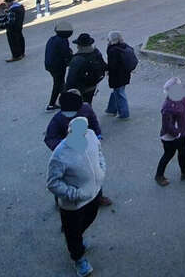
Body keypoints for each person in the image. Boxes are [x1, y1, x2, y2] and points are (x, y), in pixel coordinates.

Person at [47, 116, 106, 277]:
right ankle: (78, 258)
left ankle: (74, 237)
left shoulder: (91, 135)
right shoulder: (60, 153)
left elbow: (99, 153)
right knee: (73, 233)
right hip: (74, 204)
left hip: (93, 194)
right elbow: (52, 183)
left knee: (89, 218)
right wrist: (75, 194)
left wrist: (101, 171)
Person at [155, 77, 185, 185]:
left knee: (183, 153)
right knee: (168, 155)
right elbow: (167, 126)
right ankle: (159, 175)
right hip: (171, 137)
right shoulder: (167, 107)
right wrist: (177, 134)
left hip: (183, 132)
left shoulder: (180, 98)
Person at [66, 34, 107, 105]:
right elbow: (104, 66)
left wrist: (67, 91)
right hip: (93, 85)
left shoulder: (77, 59)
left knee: (79, 107)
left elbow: (71, 78)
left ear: (80, 46)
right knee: (88, 104)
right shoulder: (96, 52)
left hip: (81, 88)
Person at [104, 31, 136, 119]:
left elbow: (112, 65)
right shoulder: (125, 46)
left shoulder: (113, 50)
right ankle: (111, 109)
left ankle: (124, 114)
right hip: (125, 74)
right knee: (117, 91)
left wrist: (107, 70)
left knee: (119, 93)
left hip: (117, 76)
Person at [45, 20, 75, 111]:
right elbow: (66, 54)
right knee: (58, 84)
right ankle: (51, 105)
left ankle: (64, 101)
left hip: (49, 64)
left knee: (61, 83)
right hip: (57, 66)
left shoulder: (52, 38)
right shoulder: (63, 41)